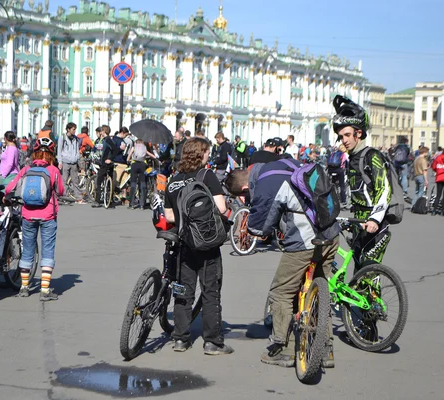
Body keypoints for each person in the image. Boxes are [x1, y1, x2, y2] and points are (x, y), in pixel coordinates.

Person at [224, 162, 340, 368]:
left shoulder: (265, 186)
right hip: (331, 235)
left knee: (280, 292)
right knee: (320, 289)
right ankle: (326, 350)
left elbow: (261, 227)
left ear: (244, 190)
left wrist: (254, 230)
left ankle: (282, 349)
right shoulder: (283, 163)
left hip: (306, 242)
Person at [163, 137, 233, 355]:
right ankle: (212, 342)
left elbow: (169, 215)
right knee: (211, 291)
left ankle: (180, 339)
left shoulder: (173, 180)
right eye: (206, 152)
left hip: (184, 242)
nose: (208, 156)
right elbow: (221, 208)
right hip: (207, 242)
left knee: (184, 291)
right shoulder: (206, 175)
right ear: (200, 153)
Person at [332, 95, 392, 271]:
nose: (344, 140)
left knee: (368, 273)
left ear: (359, 133)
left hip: (375, 224)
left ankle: (374, 299)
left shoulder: (372, 156)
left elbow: (384, 189)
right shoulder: (352, 158)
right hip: (359, 222)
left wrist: (375, 218)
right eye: (341, 136)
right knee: (357, 270)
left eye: (348, 135)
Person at [4, 138, 64, 300]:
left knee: (28, 250)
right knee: (47, 250)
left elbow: (11, 186)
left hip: (28, 215)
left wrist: (5, 196)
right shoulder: (53, 170)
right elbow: (61, 191)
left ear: (35, 152)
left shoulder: (26, 169)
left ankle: (24, 287)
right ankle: (44, 290)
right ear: (51, 154)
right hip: (48, 216)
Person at [92, 125, 119, 208]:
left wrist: (110, 159)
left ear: (103, 131)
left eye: (101, 131)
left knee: (99, 181)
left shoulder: (107, 140)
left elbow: (115, 149)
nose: (100, 133)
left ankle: (97, 200)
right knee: (108, 182)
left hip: (105, 164)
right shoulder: (104, 140)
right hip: (104, 163)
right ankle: (109, 200)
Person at [126, 139, 156, 209]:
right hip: (143, 165)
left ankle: (131, 204)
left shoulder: (134, 147)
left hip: (134, 165)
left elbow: (128, 158)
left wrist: (129, 160)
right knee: (143, 184)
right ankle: (142, 204)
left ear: (136, 142)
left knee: (133, 184)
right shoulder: (144, 148)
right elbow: (153, 156)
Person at [57, 122, 82, 199]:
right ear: (68, 129)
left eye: (75, 129)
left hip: (74, 162)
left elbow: (77, 150)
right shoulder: (62, 138)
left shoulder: (76, 139)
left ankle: (78, 196)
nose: (74, 131)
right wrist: (60, 161)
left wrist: (77, 158)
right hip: (65, 162)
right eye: (73, 129)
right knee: (64, 180)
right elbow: (59, 150)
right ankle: (64, 195)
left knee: (75, 180)